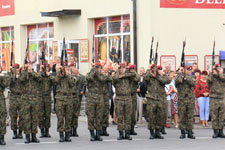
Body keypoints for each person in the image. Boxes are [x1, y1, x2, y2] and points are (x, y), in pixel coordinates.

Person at [51, 62, 77, 142]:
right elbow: (55, 81)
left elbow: (73, 83)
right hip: (60, 98)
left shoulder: (69, 75)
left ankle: (67, 135)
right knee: (60, 118)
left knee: (68, 117)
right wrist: (59, 73)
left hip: (68, 98)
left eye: (66, 68)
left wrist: (67, 74)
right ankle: (61, 134)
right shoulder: (58, 75)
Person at [144, 64, 171, 140]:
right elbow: (145, 78)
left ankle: (158, 132)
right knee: (151, 116)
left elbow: (168, 80)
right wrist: (149, 70)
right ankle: (152, 132)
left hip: (160, 99)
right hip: (151, 99)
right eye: (154, 68)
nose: (156, 70)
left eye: (158, 69)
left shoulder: (161, 76)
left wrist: (161, 74)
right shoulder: (149, 75)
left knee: (160, 116)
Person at [86, 63, 111, 141]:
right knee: (91, 117)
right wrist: (93, 72)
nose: (98, 70)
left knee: (99, 117)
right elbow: (88, 78)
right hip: (91, 99)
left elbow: (107, 79)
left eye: (100, 68)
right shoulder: (89, 74)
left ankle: (98, 134)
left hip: (100, 98)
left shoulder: (102, 76)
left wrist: (99, 74)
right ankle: (92, 134)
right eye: (97, 68)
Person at [20, 63, 42, 143]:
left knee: (34, 118)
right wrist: (26, 71)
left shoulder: (35, 74)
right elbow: (21, 79)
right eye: (28, 65)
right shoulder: (23, 74)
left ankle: (34, 136)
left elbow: (40, 78)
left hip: (34, 98)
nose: (29, 66)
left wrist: (31, 72)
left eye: (30, 65)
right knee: (26, 118)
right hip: (25, 99)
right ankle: (27, 136)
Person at [113, 63, 136, 140]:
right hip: (119, 98)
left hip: (128, 98)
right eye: (121, 68)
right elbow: (114, 78)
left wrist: (124, 75)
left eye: (124, 68)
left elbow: (135, 75)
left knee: (128, 117)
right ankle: (120, 133)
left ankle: (127, 133)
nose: (122, 69)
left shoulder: (129, 76)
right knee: (120, 116)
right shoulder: (116, 75)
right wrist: (118, 72)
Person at [175, 66, 196, 139]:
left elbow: (193, 83)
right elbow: (177, 82)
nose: (189, 71)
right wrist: (180, 73)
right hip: (182, 99)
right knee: (182, 116)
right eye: (187, 70)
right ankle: (182, 132)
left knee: (190, 116)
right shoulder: (178, 76)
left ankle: (190, 132)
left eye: (190, 70)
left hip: (190, 99)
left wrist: (186, 78)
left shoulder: (192, 77)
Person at [207, 64, 225, 138]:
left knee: (222, 116)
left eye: (219, 68)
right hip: (213, 98)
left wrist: (219, 73)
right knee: (214, 115)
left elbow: (223, 79)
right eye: (216, 68)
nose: (218, 70)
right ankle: (215, 131)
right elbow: (209, 80)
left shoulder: (222, 76)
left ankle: (221, 131)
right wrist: (211, 72)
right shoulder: (212, 77)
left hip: (222, 98)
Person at [8, 64, 23, 139]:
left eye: (17, 68)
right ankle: (14, 132)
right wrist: (11, 73)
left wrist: (18, 76)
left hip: (21, 96)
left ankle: (20, 132)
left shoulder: (22, 75)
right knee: (13, 115)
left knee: (22, 115)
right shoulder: (10, 76)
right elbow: (8, 82)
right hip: (13, 97)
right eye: (14, 69)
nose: (16, 70)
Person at [39, 64, 53, 138]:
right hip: (40, 97)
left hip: (47, 97)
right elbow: (37, 78)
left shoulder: (50, 76)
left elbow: (55, 81)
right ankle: (42, 131)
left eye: (47, 68)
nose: (46, 69)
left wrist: (49, 76)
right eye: (45, 68)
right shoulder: (40, 76)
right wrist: (41, 71)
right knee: (41, 115)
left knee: (47, 115)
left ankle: (47, 131)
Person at [70, 63, 81, 137]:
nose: (73, 68)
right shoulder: (67, 76)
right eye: (72, 67)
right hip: (70, 97)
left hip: (76, 97)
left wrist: (75, 74)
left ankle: (75, 129)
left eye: (74, 67)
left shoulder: (77, 77)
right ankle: (69, 130)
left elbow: (78, 80)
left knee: (75, 114)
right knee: (69, 114)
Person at [0, 67, 10, 145]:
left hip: (1, 98)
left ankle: (2, 137)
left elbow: (5, 84)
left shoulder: (2, 77)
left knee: (2, 117)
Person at [128, 64, 140, 135]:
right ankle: (127, 128)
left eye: (133, 69)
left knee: (133, 113)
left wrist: (133, 74)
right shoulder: (127, 74)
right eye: (131, 69)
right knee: (127, 113)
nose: (132, 70)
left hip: (133, 95)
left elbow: (136, 79)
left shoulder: (136, 75)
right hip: (127, 95)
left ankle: (132, 128)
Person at [101, 65, 111, 136]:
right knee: (100, 113)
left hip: (107, 96)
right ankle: (100, 129)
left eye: (107, 69)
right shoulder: (100, 75)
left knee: (106, 112)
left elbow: (110, 80)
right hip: (101, 96)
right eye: (104, 69)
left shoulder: (109, 76)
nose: (106, 70)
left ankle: (105, 129)